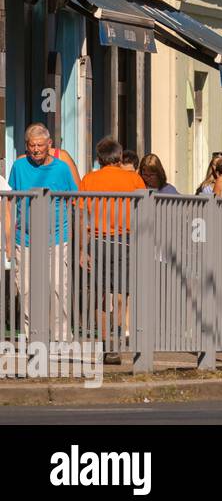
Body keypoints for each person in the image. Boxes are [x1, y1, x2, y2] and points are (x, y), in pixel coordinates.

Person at [7, 124, 80, 340]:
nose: (36, 149)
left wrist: (74, 236)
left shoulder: (61, 168)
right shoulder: (19, 167)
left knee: (58, 287)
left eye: (40, 145)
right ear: (26, 146)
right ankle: (34, 336)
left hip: (58, 237)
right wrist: (9, 240)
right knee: (27, 289)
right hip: (25, 238)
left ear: (49, 145)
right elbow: (10, 203)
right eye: (32, 146)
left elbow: (73, 201)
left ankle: (60, 337)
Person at [78, 137, 145, 363]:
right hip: (125, 241)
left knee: (100, 294)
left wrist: (82, 249)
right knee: (120, 294)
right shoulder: (134, 179)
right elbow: (143, 213)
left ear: (99, 159)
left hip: (97, 242)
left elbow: (81, 216)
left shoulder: (88, 179)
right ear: (119, 158)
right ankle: (115, 341)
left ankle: (105, 343)